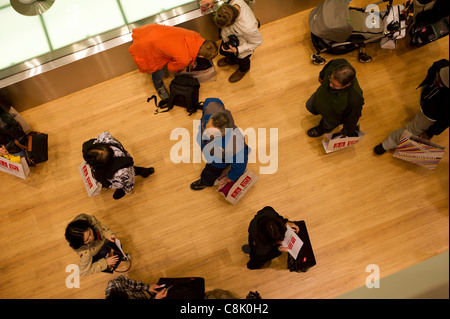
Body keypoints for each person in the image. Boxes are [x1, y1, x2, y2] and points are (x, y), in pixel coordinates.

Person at [128, 24, 218, 104]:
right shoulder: (185, 58)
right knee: (159, 72)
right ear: (202, 56)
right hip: (147, 47)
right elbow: (170, 67)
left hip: (148, 32)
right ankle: (159, 86)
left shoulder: (194, 35)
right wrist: (182, 64)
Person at [374, 59, 449, 154]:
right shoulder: (440, 66)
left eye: (441, 83)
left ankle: (387, 144)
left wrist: (430, 132)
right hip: (428, 100)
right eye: (438, 76)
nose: (436, 81)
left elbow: (445, 121)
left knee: (412, 130)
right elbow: (433, 70)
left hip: (430, 114)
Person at [190, 98, 249, 191]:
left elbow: (240, 166)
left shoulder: (234, 147)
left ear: (223, 133)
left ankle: (206, 181)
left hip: (218, 160)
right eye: (206, 126)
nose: (204, 133)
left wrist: (231, 177)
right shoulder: (211, 105)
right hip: (222, 151)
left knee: (211, 171)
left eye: (210, 134)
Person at [82, 131, 154, 200]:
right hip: (123, 162)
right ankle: (145, 172)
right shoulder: (104, 138)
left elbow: (128, 181)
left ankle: (122, 189)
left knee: (129, 174)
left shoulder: (120, 173)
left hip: (122, 173)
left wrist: (128, 190)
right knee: (131, 170)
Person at [305, 59, 364, 138]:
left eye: (335, 85)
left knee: (327, 125)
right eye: (330, 80)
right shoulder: (338, 63)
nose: (330, 85)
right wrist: (322, 75)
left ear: (346, 85)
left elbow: (352, 118)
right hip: (320, 98)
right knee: (310, 106)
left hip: (332, 116)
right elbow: (328, 66)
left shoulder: (354, 99)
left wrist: (346, 132)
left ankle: (321, 129)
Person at [212, 0, 263, 82]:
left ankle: (243, 70)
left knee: (243, 60)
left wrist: (237, 50)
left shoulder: (248, 28)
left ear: (235, 20)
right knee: (225, 52)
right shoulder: (234, 2)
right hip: (230, 39)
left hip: (241, 46)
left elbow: (258, 41)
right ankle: (231, 60)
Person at [65, 214, 129, 276]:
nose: (91, 237)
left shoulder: (89, 220)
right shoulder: (85, 254)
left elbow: (100, 226)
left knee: (117, 248)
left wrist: (108, 234)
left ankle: (122, 256)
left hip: (106, 242)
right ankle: (121, 257)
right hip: (100, 253)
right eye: (87, 239)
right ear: (81, 243)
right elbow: (83, 272)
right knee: (113, 260)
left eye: (90, 232)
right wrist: (105, 263)